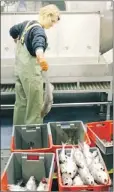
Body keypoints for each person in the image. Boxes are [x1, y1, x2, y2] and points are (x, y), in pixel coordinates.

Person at [9, 4, 60, 125]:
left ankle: (18, 137)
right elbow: (39, 42)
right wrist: (41, 57)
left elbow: (12, 30)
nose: (52, 25)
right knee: (35, 108)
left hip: (20, 72)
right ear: (47, 16)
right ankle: (33, 141)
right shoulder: (38, 30)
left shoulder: (26, 24)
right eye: (52, 21)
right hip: (31, 76)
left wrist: (15, 38)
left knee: (21, 104)